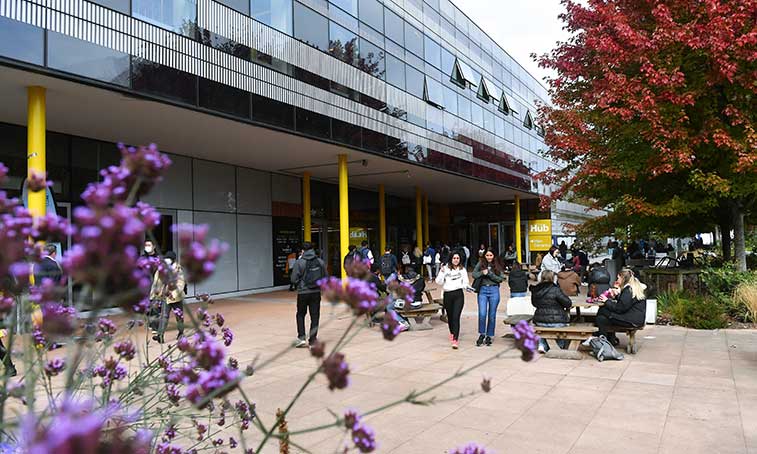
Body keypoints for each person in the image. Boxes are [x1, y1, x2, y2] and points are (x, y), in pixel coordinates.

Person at [596, 268, 647, 346]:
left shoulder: (628, 290)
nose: (617, 280)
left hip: (631, 320)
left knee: (603, 311)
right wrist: (617, 295)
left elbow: (619, 309)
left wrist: (606, 300)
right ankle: (609, 339)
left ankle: (603, 341)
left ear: (623, 278)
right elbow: (625, 303)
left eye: (618, 278)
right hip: (636, 318)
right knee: (601, 318)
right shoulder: (633, 287)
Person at [290, 242, 326, 348]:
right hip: (316, 292)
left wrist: (300, 283)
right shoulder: (320, 262)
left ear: (302, 251)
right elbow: (325, 277)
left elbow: (293, 279)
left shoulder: (299, 262)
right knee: (315, 316)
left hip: (303, 292)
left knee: (300, 314)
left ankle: (301, 338)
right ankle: (313, 340)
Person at [531, 270, 572, 352]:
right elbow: (568, 303)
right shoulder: (556, 289)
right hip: (558, 321)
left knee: (542, 328)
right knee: (563, 327)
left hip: (540, 320)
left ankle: (542, 344)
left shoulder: (536, 289)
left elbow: (534, 304)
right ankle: (559, 346)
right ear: (553, 278)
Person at [149, 251, 186, 343]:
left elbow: (181, 284)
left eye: (168, 259)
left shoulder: (178, 270)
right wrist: (153, 295)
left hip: (176, 297)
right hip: (165, 296)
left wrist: (174, 294)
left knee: (179, 316)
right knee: (164, 316)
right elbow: (156, 283)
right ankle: (160, 335)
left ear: (173, 260)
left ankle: (181, 333)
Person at [435, 252, 469, 349]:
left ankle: (455, 339)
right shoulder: (445, 269)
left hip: (458, 295)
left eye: (457, 258)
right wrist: (441, 272)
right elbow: (438, 282)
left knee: (456, 317)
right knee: (450, 317)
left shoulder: (462, 270)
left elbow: (465, 282)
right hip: (448, 295)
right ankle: (452, 333)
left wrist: (467, 287)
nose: (456, 260)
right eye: (454, 258)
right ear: (451, 259)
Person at [472, 248, 504, 346]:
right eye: (487, 255)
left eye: (491, 255)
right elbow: (474, 274)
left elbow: (500, 279)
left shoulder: (498, 264)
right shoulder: (481, 263)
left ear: (494, 256)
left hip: (494, 290)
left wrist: (490, 274)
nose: (489, 257)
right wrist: (482, 272)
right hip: (482, 290)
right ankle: (482, 334)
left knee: (492, 315)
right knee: (482, 313)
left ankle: (489, 335)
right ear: (484, 256)